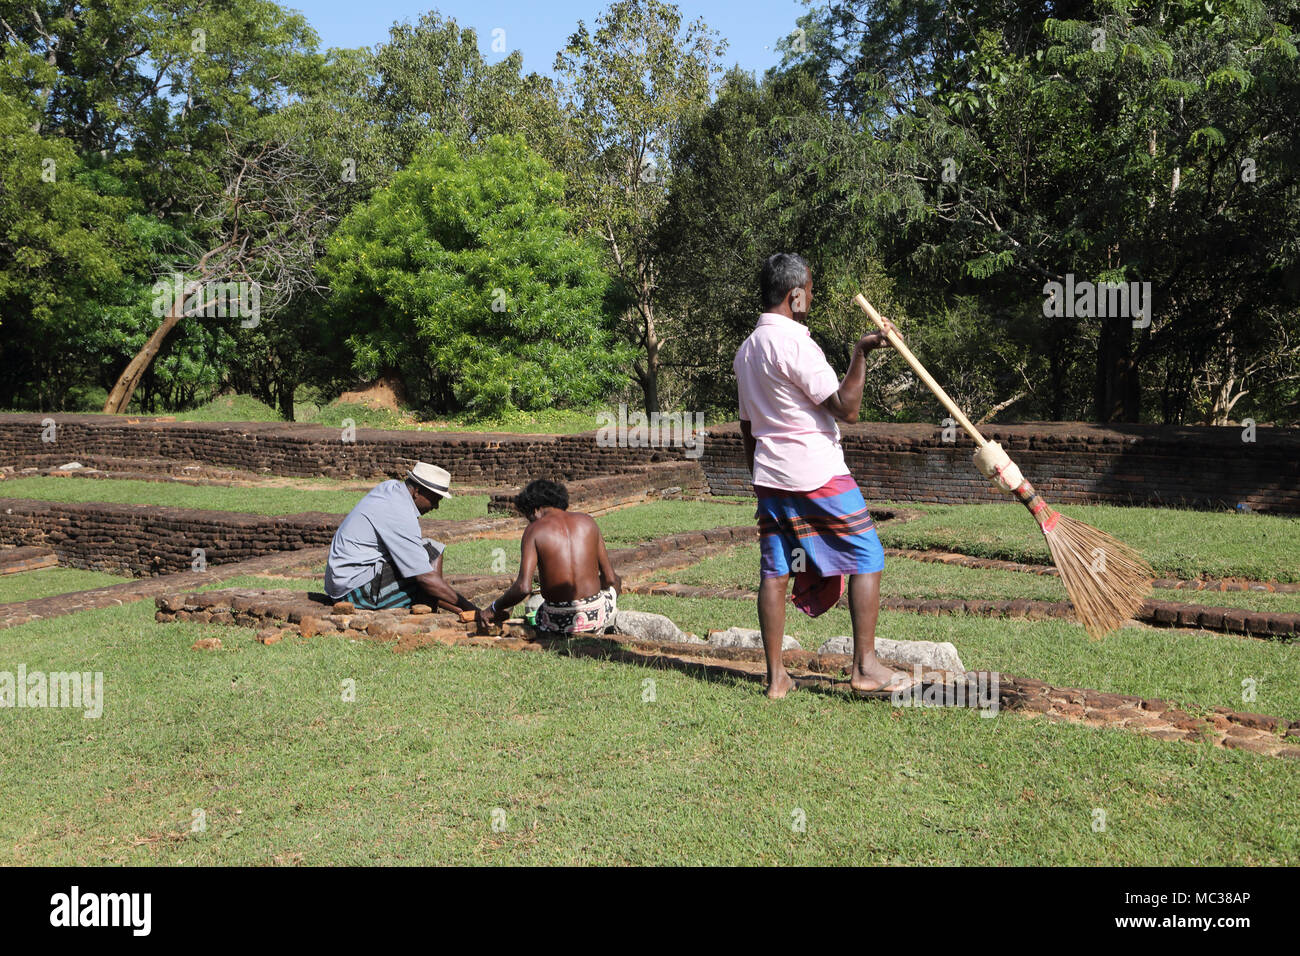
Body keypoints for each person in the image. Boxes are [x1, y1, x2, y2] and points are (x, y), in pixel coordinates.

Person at [733, 252, 920, 699]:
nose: (811, 297)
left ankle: (777, 678)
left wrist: (758, 478)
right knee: (868, 553)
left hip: (771, 476)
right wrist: (861, 351)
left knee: (775, 571)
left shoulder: (746, 350)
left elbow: (746, 426)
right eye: (810, 290)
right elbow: (847, 409)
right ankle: (865, 666)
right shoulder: (796, 344)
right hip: (815, 472)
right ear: (794, 295)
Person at [324, 462, 483, 622]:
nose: (436, 507)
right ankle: (428, 613)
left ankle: (438, 608)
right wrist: (475, 610)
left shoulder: (391, 488)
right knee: (425, 577)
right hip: (352, 591)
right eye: (434, 500)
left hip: (344, 579)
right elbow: (425, 578)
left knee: (430, 551)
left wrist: (462, 608)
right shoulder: (399, 512)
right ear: (417, 492)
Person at [485, 479, 621, 634]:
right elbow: (610, 579)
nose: (530, 521)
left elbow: (523, 588)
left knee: (537, 605)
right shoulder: (588, 521)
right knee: (617, 581)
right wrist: (589, 592)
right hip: (596, 616)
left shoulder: (534, 530)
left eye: (529, 517)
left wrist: (493, 608)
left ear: (535, 510)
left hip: (556, 621)